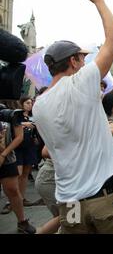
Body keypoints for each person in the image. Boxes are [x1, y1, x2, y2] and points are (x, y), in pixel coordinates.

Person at [32, 0, 113, 234]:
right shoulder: (82, 81)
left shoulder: (38, 106)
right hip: (103, 196)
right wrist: (98, 0)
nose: (85, 61)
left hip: (69, 202)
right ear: (74, 61)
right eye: (82, 57)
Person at [0, 101, 36, 233]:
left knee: (13, 189)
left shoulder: (8, 113)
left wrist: (3, 154)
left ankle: (22, 222)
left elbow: (19, 136)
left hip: (7, 157)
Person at [15, 96, 38, 206]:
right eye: (27, 103)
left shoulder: (32, 116)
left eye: (31, 103)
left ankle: (22, 198)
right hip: (18, 147)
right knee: (17, 174)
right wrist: (24, 124)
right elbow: (13, 125)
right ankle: (12, 199)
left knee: (25, 174)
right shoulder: (16, 115)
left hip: (29, 146)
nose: (30, 105)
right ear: (22, 104)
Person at [35, 146, 60, 234]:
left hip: (60, 180)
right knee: (68, 218)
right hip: (50, 179)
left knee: (68, 218)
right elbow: (45, 151)